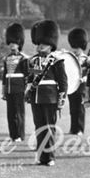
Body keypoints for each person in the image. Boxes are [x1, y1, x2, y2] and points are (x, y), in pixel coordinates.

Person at [21, 20, 67, 167]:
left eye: (44, 43)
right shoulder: (33, 60)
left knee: (49, 127)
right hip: (36, 97)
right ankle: (41, 157)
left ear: (51, 45)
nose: (40, 46)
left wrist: (61, 97)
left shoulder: (56, 61)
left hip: (50, 97)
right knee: (39, 127)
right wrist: (28, 89)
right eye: (39, 43)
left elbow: (63, 82)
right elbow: (30, 78)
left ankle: (50, 157)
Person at [0, 22, 27, 142]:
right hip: (9, 89)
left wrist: (26, 90)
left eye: (14, 43)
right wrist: (4, 91)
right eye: (10, 43)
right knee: (10, 113)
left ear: (19, 43)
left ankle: (20, 134)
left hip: (20, 89)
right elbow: (5, 77)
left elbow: (27, 75)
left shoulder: (24, 58)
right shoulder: (7, 58)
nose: (12, 46)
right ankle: (13, 135)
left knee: (19, 113)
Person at [66, 27, 88, 136]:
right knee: (72, 108)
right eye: (74, 47)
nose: (75, 50)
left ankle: (79, 128)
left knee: (80, 107)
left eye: (77, 48)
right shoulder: (70, 58)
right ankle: (73, 128)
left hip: (81, 85)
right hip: (72, 85)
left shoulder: (86, 59)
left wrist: (84, 79)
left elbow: (89, 72)